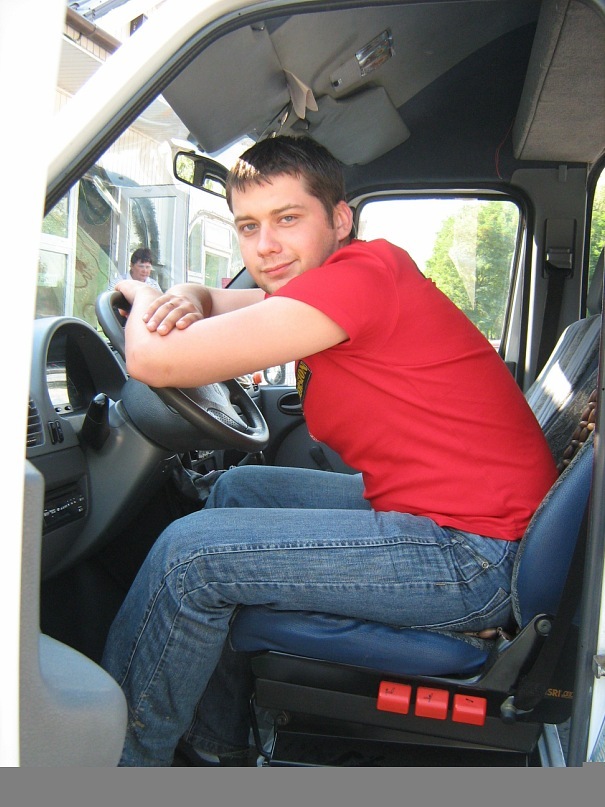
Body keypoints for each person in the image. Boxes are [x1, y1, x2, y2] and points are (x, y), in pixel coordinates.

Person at [101, 135, 558, 766]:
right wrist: (191, 297)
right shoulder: (333, 283)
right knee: (238, 489)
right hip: (451, 520)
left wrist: (144, 295)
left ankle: (120, 762)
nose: (266, 245)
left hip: (473, 555)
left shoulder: (358, 281)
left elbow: (153, 360)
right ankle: (216, 746)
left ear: (339, 219)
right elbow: (224, 302)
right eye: (248, 226)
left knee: (190, 556)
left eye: (288, 218)